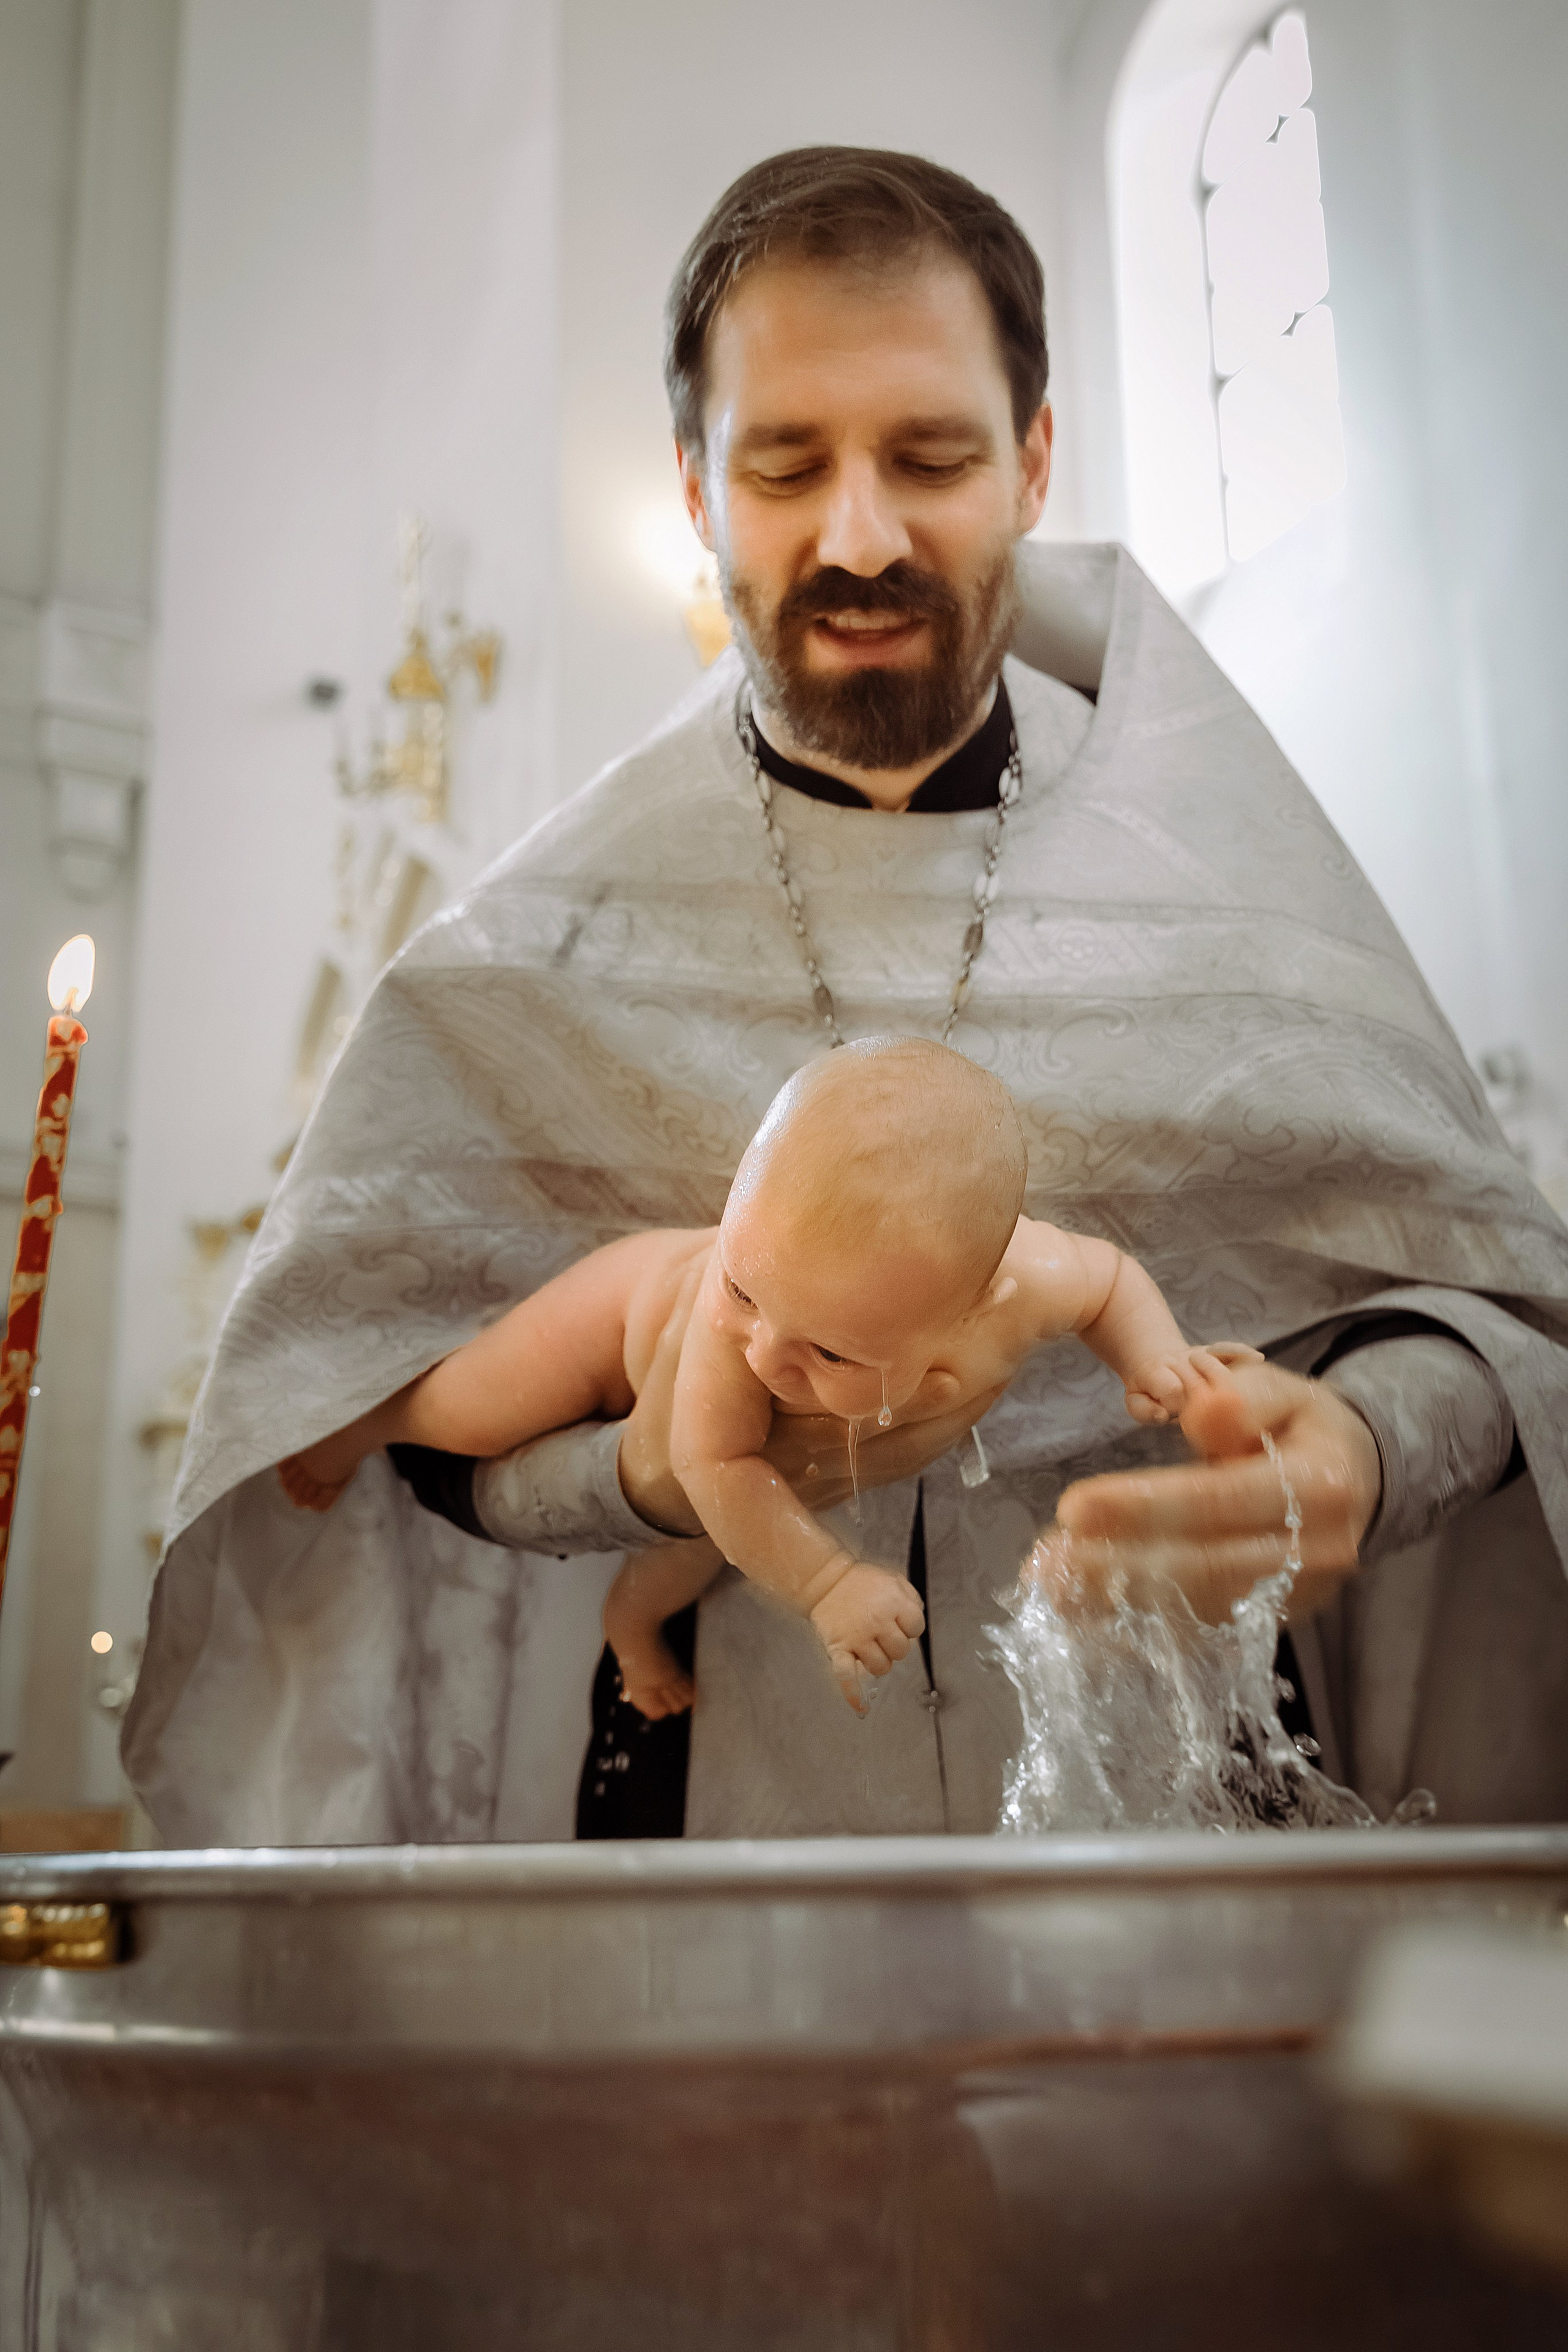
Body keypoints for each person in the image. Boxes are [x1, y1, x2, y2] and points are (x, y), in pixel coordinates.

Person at [124, 148, 1568, 1847]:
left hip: (1179, 1829)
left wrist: (1367, 1449)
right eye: (785, 466)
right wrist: (644, 1482)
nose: (859, 534)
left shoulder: (1238, 880)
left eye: (932, 457)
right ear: (694, 488)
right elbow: (360, 1445)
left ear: (1033, 460)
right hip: (707, 1856)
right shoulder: (545, 949)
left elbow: (1499, 1312)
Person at [276, 1039, 1257, 1715]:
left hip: (775, 1486)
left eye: (830, 1352)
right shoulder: (724, 1330)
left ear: (976, 1302)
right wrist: (829, 1582)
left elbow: (1114, 1284)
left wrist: (1153, 1356)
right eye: (748, 1289)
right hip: (630, 1313)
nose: (765, 1354)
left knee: (701, 1555)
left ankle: (630, 1626)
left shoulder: (1039, 1278)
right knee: (482, 1411)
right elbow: (714, 1465)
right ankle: (369, 1421)